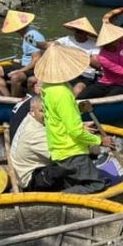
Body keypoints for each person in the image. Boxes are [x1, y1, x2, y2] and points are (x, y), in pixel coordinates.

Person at [37, 44, 113, 194]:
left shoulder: (48, 87)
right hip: (71, 150)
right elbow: (75, 131)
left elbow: (58, 112)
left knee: (73, 182)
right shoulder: (62, 93)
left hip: (57, 146)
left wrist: (77, 108)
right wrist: (100, 141)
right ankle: (62, 198)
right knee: (97, 185)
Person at [78, 20, 123, 100]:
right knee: (82, 96)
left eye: (116, 39)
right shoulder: (103, 57)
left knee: (110, 97)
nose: (117, 41)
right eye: (113, 41)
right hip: (105, 82)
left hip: (121, 84)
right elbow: (122, 71)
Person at [0, 10, 45, 97]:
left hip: (35, 69)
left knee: (16, 77)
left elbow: (36, 59)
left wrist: (20, 70)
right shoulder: (27, 32)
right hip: (25, 64)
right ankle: (7, 98)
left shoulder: (31, 35)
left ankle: (15, 99)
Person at [9, 95, 57, 191]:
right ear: (32, 111)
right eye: (42, 111)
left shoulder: (30, 118)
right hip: (30, 180)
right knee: (71, 165)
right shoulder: (35, 133)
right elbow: (62, 155)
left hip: (24, 170)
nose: (47, 114)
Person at [50, 17, 101, 97]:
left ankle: (71, 104)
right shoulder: (67, 39)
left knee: (77, 90)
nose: (77, 33)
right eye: (76, 31)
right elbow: (51, 44)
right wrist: (34, 42)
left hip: (85, 75)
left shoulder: (94, 45)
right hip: (67, 72)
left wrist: (79, 56)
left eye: (80, 32)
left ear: (86, 33)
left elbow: (97, 64)